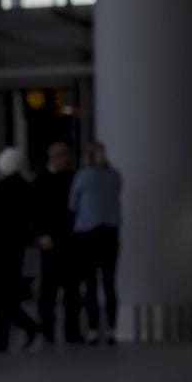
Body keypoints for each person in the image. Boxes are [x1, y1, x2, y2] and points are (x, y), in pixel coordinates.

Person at [0, 147, 41, 353]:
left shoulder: (1, 189)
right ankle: (22, 329)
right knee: (8, 295)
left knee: (1, 296)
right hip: (17, 248)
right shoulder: (27, 187)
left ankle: (14, 333)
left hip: (0, 249)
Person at [71, 142, 122, 345]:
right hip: (110, 232)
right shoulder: (114, 176)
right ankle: (111, 328)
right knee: (109, 283)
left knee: (90, 284)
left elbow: (72, 204)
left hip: (88, 233)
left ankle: (92, 328)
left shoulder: (83, 177)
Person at [33, 141, 83, 344]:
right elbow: (35, 211)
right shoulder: (42, 180)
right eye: (60, 155)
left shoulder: (73, 178)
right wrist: (41, 234)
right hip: (51, 241)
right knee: (49, 289)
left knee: (72, 289)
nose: (64, 159)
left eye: (66, 155)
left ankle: (72, 331)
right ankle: (48, 329)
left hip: (70, 240)